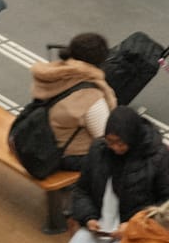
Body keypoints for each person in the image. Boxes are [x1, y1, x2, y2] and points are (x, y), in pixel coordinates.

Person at [64, 105, 169, 243]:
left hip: (138, 231)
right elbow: (82, 190)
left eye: (120, 143)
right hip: (102, 226)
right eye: (110, 142)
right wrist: (89, 217)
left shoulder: (159, 157)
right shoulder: (98, 150)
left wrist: (135, 226)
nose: (115, 148)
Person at [29, 33, 119, 174]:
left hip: (34, 138)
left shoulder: (52, 73)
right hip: (61, 156)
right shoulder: (91, 95)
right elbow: (105, 137)